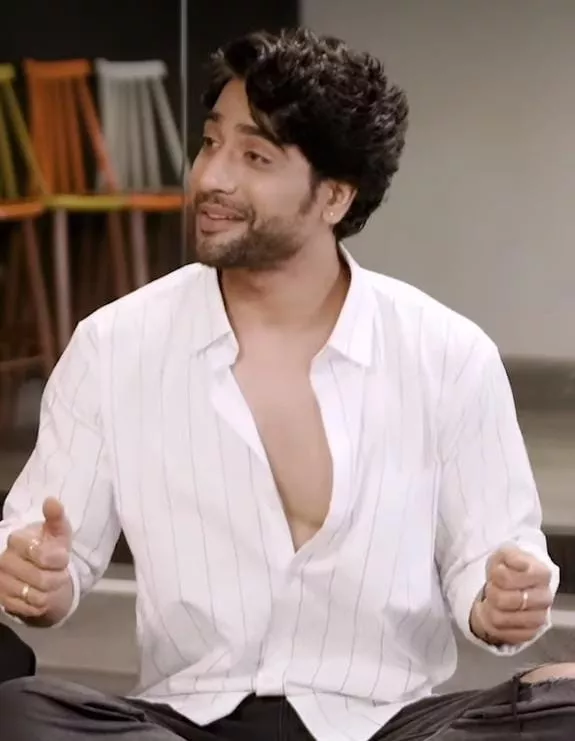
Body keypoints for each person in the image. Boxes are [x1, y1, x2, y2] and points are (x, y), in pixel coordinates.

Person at [0, 26, 572, 741]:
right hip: (185, 722)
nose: (211, 177)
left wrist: (501, 602)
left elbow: (490, 564)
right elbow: (46, 554)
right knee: (17, 709)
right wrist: (38, 580)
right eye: (210, 143)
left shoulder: (447, 354)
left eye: (255, 157)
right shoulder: (115, 344)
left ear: (334, 196)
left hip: (385, 723)